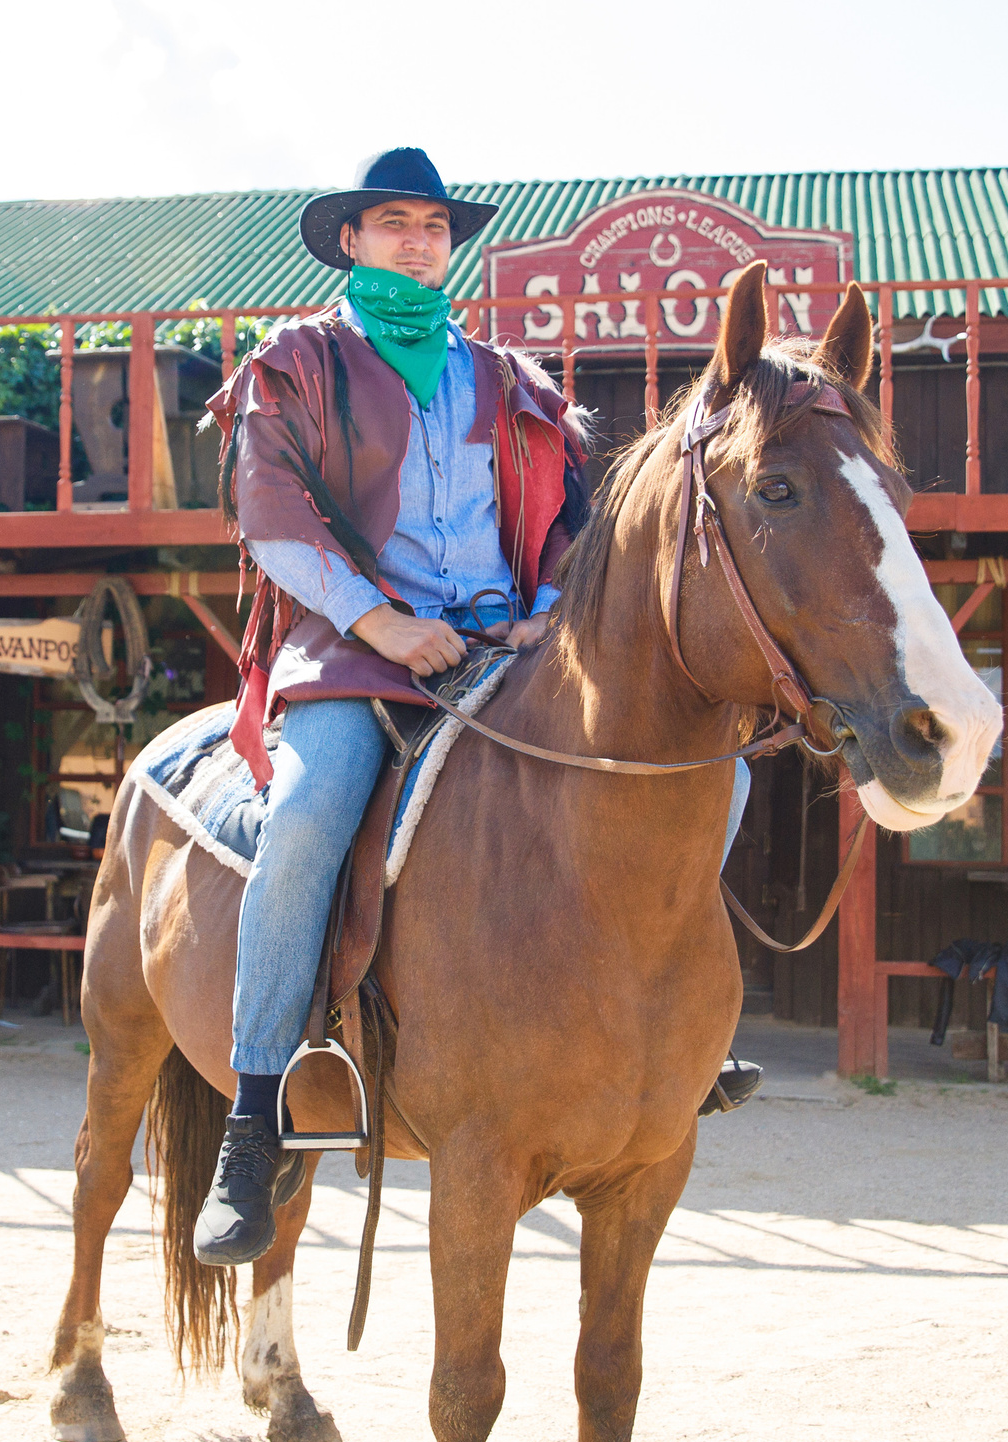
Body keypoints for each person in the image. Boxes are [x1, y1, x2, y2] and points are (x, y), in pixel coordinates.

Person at [193, 148, 759, 1268]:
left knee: (718, 775)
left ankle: (675, 1041)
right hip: (356, 656)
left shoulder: (506, 375)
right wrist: (380, 622)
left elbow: (566, 522)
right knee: (308, 818)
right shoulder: (298, 362)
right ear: (349, 241)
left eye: (431, 226)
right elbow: (269, 518)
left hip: (503, 647)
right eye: (391, 222)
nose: (414, 239)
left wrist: (545, 607)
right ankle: (254, 1121)